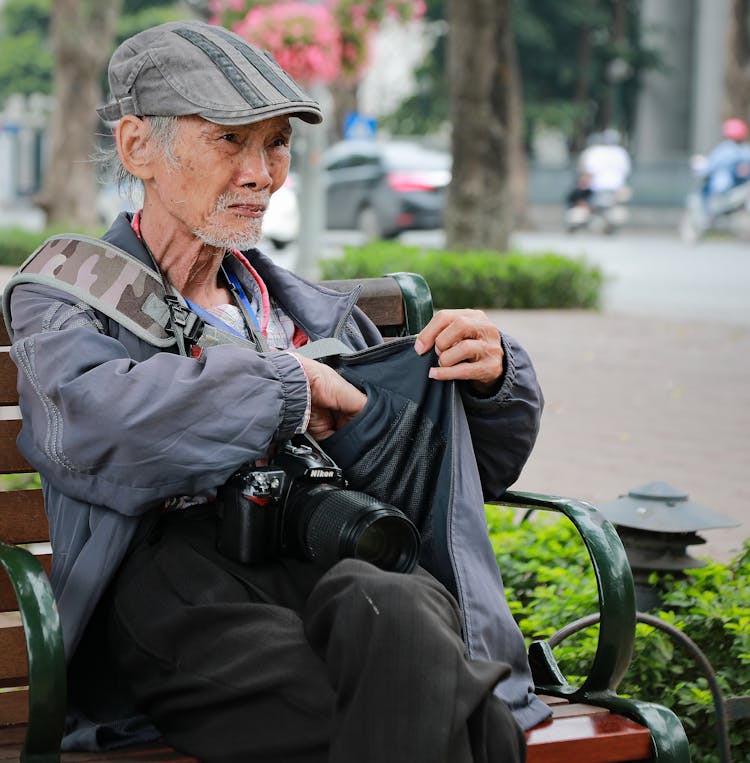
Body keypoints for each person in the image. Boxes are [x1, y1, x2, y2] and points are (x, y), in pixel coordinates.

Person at [5, 20, 549, 763]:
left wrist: (490, 382)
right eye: (230, 140)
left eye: (276, 142)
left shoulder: (308, 308)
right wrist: (287, 385)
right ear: (138, 147)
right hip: (175, 585)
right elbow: (95, 428)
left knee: (397, 603)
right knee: (467, 715)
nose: (261, 172)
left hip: (332, 549)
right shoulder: (64, 299)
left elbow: (466, 474)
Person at [700, 117, 750, 209]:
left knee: (707, 200)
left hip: (723, 190)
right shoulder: (746, 150)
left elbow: (708, 168)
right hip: (743, 189)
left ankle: (707, 216)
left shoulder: (723, 150)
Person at [577, 128, 631, 195]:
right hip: (617, 186)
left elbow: (588, 171)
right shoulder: (622, 152)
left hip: (597, 187)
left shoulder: (595, 151)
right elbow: (626, 171)